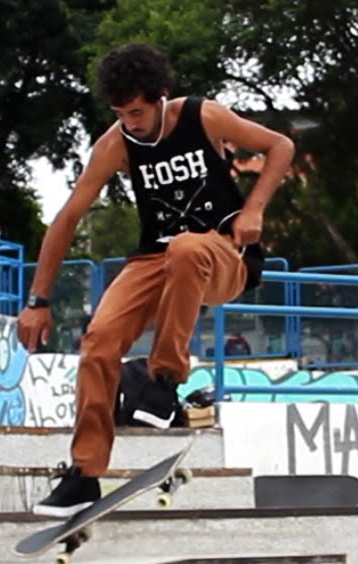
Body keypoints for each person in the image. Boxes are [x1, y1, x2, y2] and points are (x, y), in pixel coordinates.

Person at [16, 42, 294, 518]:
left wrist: (254, 209)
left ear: (161, 96)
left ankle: (163, 381)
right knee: (100, 341)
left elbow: (280, 145)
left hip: (224, 253)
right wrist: (37, 299)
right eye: (121, 113)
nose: (132, 122)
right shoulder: (115, 144)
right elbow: (67, 218)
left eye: (138, 111)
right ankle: (85, 476)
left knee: (187, 247)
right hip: (156, 259)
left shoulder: (202, 117)